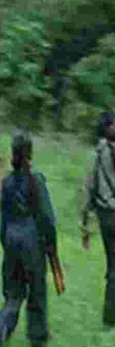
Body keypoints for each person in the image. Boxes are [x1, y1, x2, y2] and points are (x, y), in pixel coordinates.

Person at [0, 130, 56, 347]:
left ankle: (2, 327)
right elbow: (46, 217)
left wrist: (5, 242)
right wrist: (51, 245)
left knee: (13, 293)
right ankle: (37, 343)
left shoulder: (7, 182)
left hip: (11, 241)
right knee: (36, 292)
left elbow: (3, 218)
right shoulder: (36, 179)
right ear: (30, 153)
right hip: (32, 242)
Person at [81, 112, 115, 330]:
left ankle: (109, 317)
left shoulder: (95, 154)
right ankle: (109, 318)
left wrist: (85, 224)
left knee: (112, 265)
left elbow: (88, 189)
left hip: (105, 216)